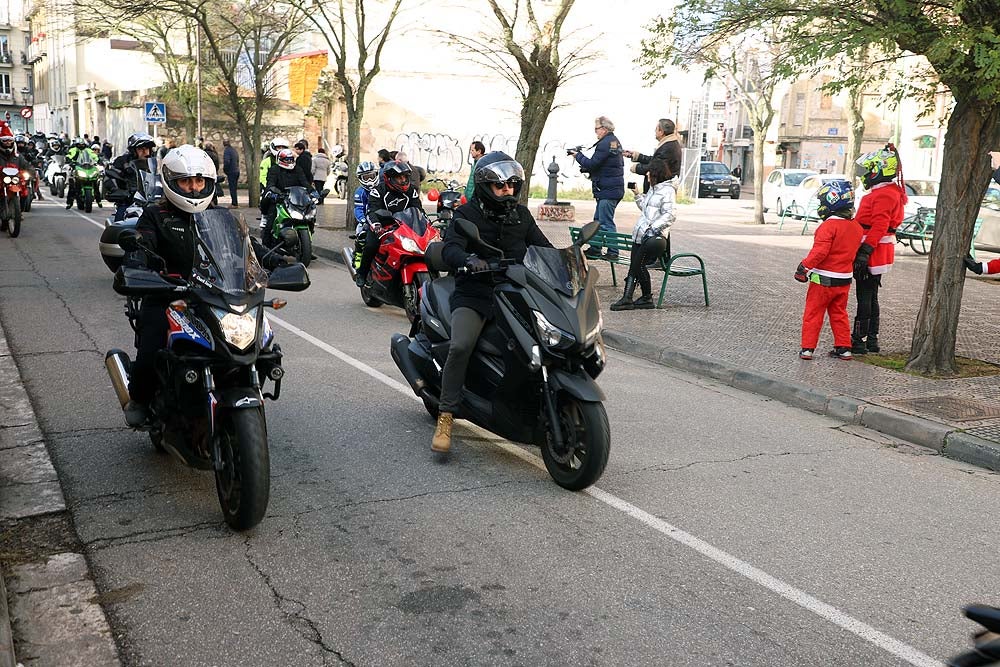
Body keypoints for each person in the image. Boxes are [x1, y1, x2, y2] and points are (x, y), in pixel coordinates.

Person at [121, 145, 290, 427]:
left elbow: (250, 247)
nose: (194, 187)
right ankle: (140, 397)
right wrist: (137, 263)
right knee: (152, 345)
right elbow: (142, 243)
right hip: (169, 295)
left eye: (200, 181)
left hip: (215, 295)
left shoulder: (222, 216)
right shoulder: (156, 215)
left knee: (261, 343)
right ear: (172, 182)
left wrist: (278, 260)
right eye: (186, 181)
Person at [432, 152, 553, 454]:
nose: (508, 191)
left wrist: (569, 259)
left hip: (515, 294)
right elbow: (450, 249)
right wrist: (468, 260)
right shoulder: (466, 215)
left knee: (540, 344)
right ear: (486, 186)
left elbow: (543, 248)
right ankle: (446, 415)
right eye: (501, 187)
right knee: (461, 346)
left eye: (513, 185)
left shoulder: (521, 216)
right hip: (476, 294)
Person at [794, 179, 863, 361]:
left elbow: (820, 252)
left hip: (823, 279)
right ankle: (844, 348)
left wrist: (804, 267)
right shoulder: (856, 227)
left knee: (813, 313)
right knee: (839, 313)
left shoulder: (828, 226)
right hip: (844, 279)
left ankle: (807, 349)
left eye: (822, 201)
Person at [850, 143, 906, 355]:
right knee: (871, 296)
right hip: (877, 249)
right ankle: (871, 340)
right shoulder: (890, 192)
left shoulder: (883, 195)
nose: (865, 175)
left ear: (879, 170)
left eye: (869, 170)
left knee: (864, 296)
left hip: (872, 250)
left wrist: (864, 251)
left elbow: (880, 225)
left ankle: (859, 340)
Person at [611, 159, 676, 311]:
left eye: (649, 171)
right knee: (637, 265)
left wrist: (652, 229)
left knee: (636, 265)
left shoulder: (667, 191)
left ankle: (627, 298)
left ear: (656, 173)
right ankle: (646, 297)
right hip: (641, 234)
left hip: (653, 237)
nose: (647, 174)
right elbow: (646, 210)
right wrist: (637, 195)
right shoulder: (653, 189)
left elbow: (670, 215)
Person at [356, 159, 424, 287]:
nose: (403, 180)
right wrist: (376, 225)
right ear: (389, 178)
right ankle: (362, 273)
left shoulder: (411, 190)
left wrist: (426, 222)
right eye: (399, 177)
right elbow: (372, 212)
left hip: (404, 226)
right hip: (382, 226)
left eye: (405, 177)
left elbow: (418, 209)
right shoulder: (378, 191)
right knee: (371, 245)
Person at [569, 116, 624, 258]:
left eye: (597, 129)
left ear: (604, 129)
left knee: (605, 222)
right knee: (598, 221)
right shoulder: (613, 141)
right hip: (610, 188)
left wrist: (578, 156)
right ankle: (595, 248)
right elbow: (604, 165)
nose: (595, 132)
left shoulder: (604, 143)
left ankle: (613, 252)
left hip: (608, 190)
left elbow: (593, 163)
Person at [260, 147, 311, 243]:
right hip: (279, 199)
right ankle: (266, 246)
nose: (289, 162)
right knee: (270, 221)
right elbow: (270, 183)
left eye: (291, 159)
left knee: (308, 217)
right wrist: (272, 192)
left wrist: (312, 191)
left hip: (294, 199)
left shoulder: (297, 169)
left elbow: (304, 182)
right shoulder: (274, 169)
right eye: (287, 160)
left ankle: (306, 243)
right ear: (280, 160)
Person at [106, 132, 157, 221]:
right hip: (129, 202)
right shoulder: (122, 161)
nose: (145, 152)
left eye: (147, 148)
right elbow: (110, 177)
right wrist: (117, 191)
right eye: (141, 149)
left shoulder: (156, 164)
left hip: (153, 202)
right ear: (133, 150)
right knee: (120, 224)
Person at [623, 118, 682, 194]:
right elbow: (656, 160)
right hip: (661, 187)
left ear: (661, 132)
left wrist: (636, 168)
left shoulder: (668, 147)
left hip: (661, 189)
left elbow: (656, 167)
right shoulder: (669, 144)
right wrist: (636, 156)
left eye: (656, 129)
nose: (655, 131)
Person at [351, 160, 379, 264]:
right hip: (366, 221)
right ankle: (358, 256)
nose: (370, 180)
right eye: (366, 178)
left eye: (372, 176)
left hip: (381, 219)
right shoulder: (360, 192)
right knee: (361, 234)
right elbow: (358, 209)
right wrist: (363, 220)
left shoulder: (382, 188)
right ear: (360, 178)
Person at [65, 137, 102, 209]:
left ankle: (98, 200)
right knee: (72, 185)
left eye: (82, 145)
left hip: (88, 167)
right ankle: (69, 202)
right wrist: (70, 161)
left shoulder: (88, 150)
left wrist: (98, 160)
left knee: (96, 182)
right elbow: (68, 156)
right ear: (76, 145)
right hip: (77, 167)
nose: (81, 146)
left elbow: (94, 156)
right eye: (79, 145)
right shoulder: (73, 150)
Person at [222, 139, 240, 207]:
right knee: (234, 188)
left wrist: (225, 170)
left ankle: (234, 203)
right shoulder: (234, 150)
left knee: (232, 188)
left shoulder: (227, 151)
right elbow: (237, 160)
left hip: (231, 171)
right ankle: (235, 202)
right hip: (236, 171)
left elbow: (227, 161)